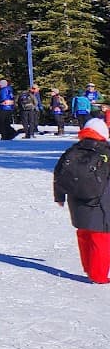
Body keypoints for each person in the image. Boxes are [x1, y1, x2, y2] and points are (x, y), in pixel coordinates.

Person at [53, 117, 110, 283]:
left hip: (76, 201)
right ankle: (98, 275)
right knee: (101, 238)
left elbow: (59, 173)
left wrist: (59, 196)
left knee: (84, 233)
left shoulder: (73, 150)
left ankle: (88, 267)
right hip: (99, 202)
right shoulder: (105, 151)